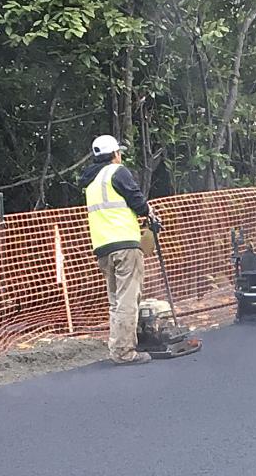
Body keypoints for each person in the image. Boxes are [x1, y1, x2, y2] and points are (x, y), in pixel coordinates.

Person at [83, 134, 164, 365]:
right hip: (125, 245)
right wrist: (149, 213)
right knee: (129, 297)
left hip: (102, 247)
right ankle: (124, 352)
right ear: (115, 154)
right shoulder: (117, 172)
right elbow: (137, 201)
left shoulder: (91, 182)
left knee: (116, 300)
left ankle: (117, 345)